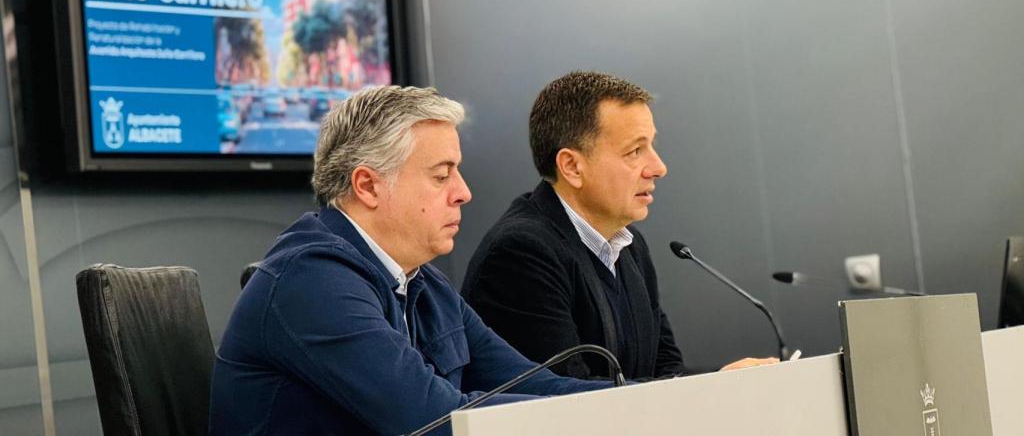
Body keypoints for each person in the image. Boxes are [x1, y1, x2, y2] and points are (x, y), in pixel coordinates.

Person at [209, 85, 610, 435]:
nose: (463, 192)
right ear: (368, 186)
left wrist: (637, 400)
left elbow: (534, 384)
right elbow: (434, 420)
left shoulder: (422, 281)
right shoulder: (311, 280)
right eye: (441, 175)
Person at [462, 71, 776, 381]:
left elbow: (666, 372)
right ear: (572, 167)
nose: (659, 168)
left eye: (652, 146)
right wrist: (712, 387)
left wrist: (724, 381)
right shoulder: (521, 253)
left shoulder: (629, 246)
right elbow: (567, 397)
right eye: (635, 151)